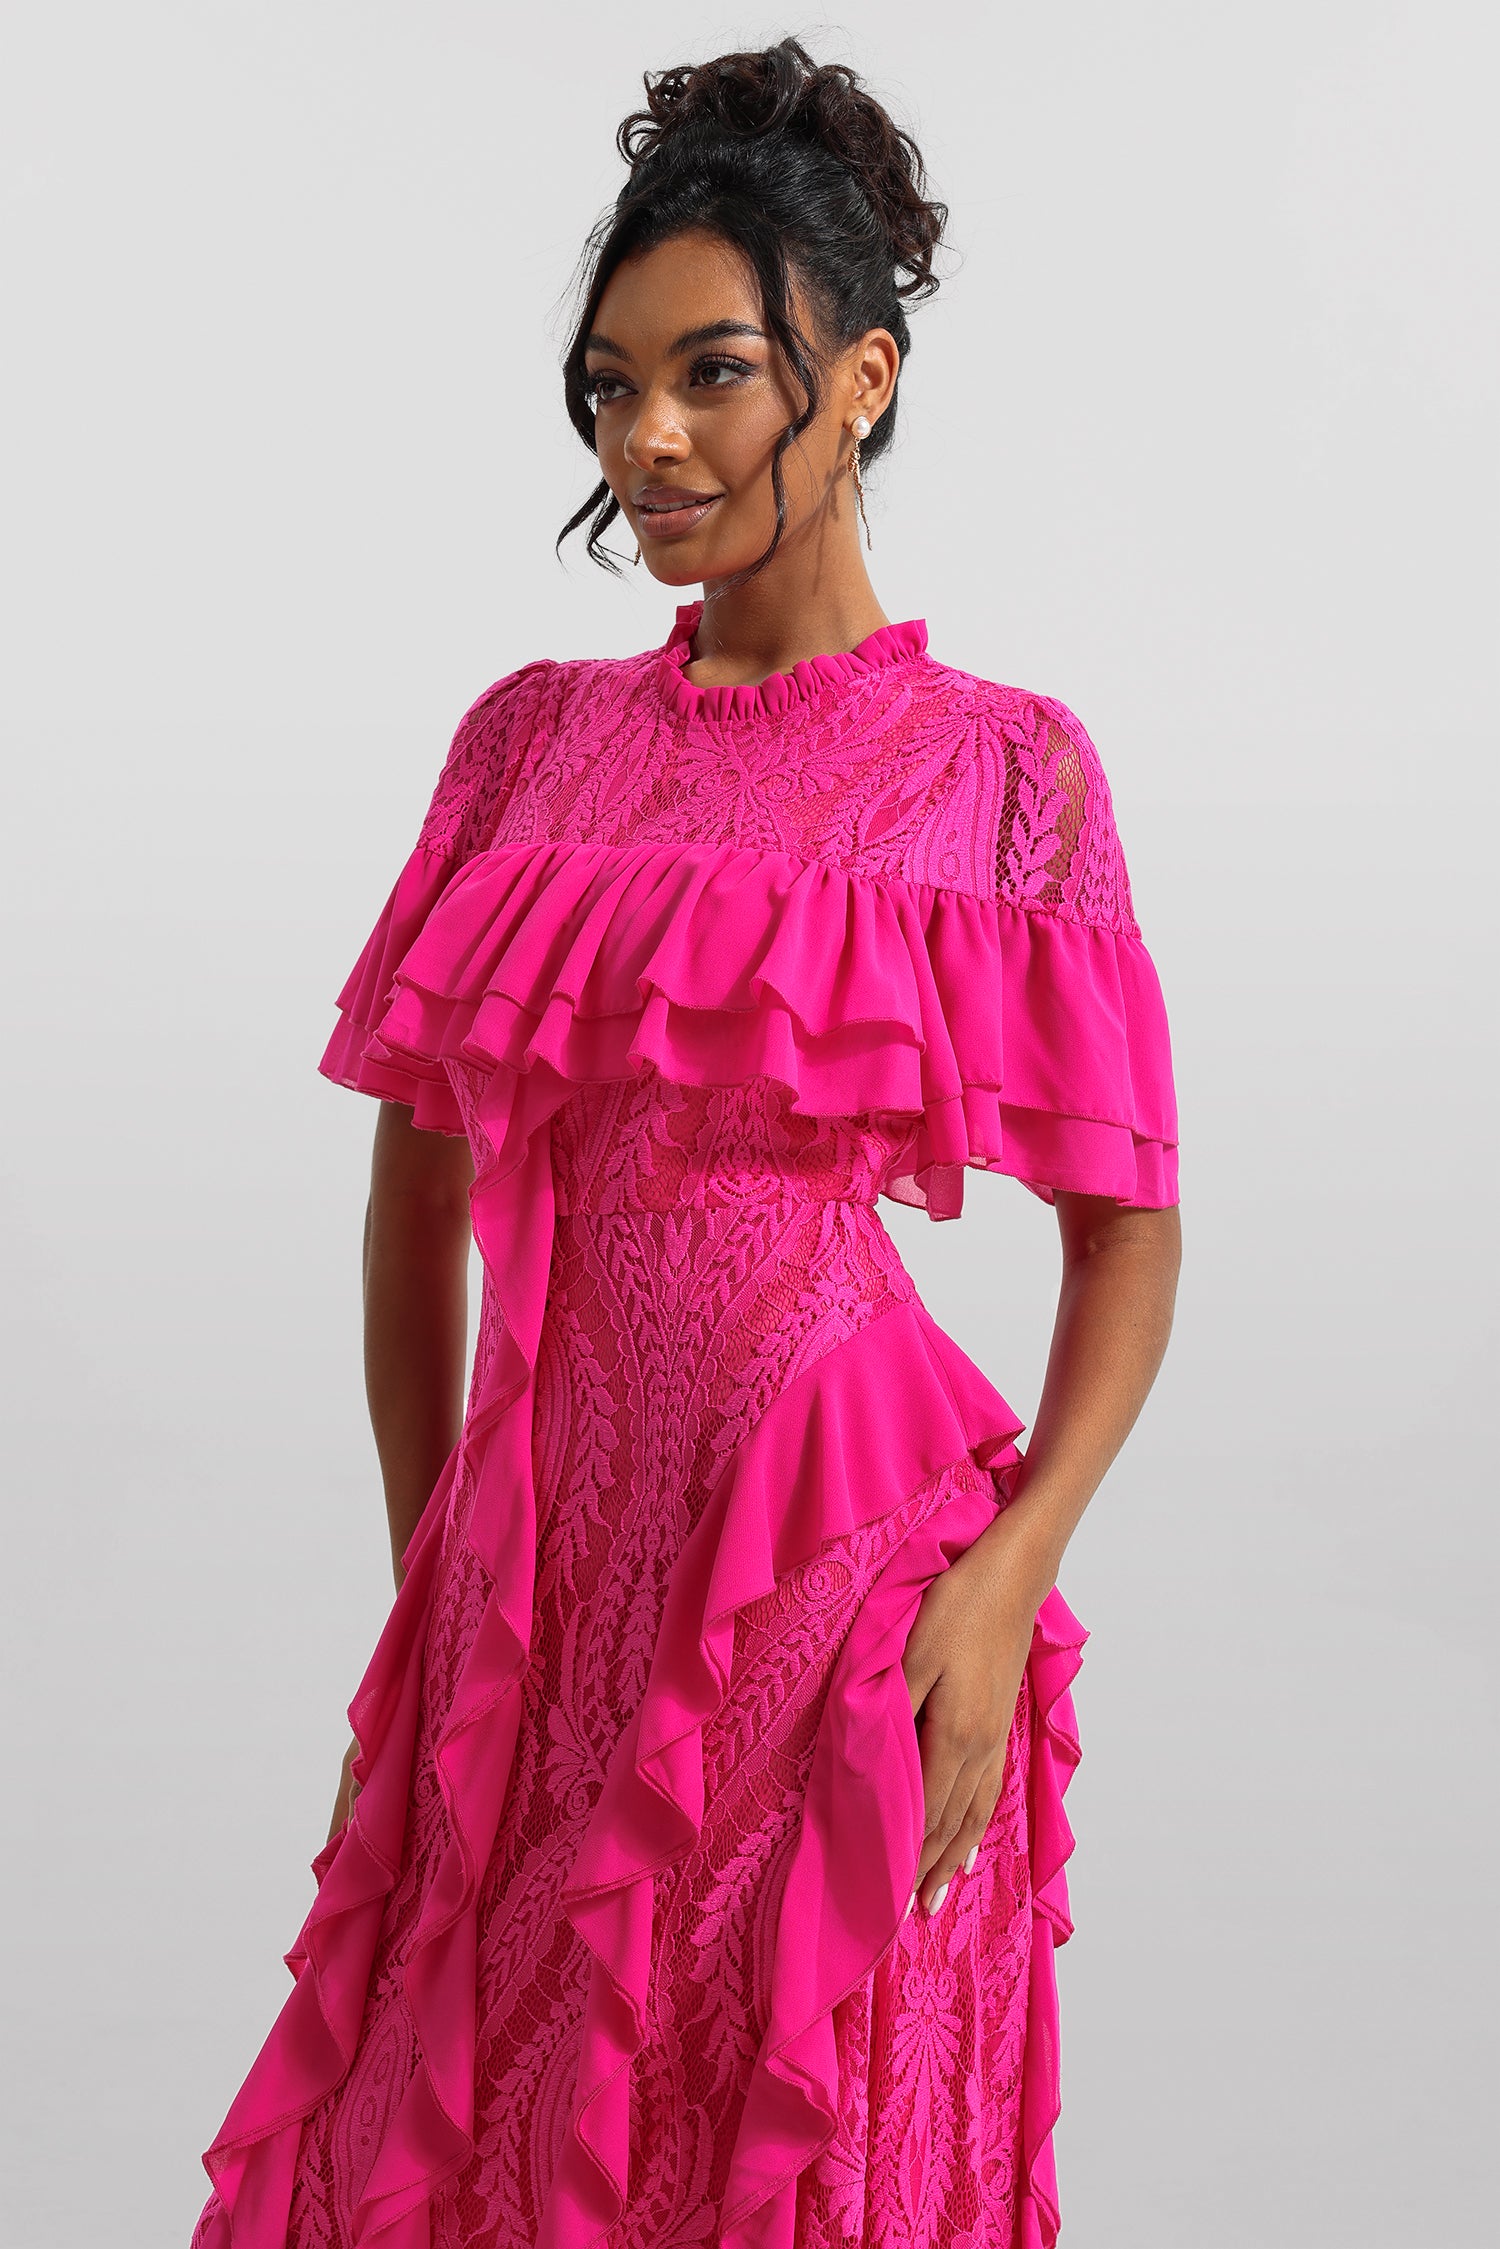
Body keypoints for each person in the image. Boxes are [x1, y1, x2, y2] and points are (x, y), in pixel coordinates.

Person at [191, 38, 1180, 2249]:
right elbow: (415, 1196)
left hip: (843, 1584)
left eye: (716, 374)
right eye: (611, 387)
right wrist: (430, 1590)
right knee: (439, 2138)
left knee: (773, 2148)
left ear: (863, 381)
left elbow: (1129, 1233)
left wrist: (1008, 1579)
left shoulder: (1006, 772)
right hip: (533, 1586)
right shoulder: (525, 746)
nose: (649, 439)